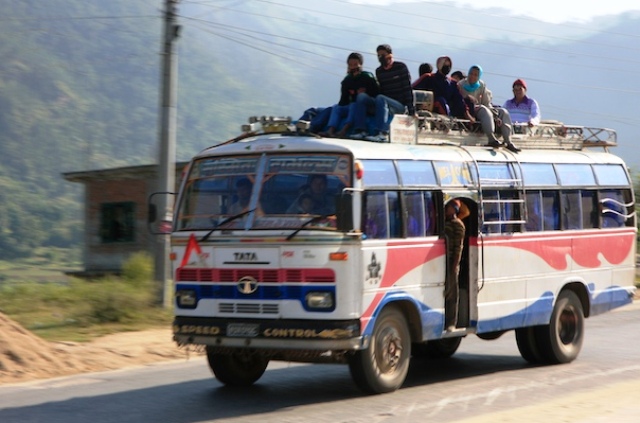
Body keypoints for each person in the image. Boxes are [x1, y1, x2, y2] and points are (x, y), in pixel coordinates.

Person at [351, 44, 415, 142]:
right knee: (362, 97)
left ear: (390, 55)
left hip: (398, 105)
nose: (381, 58)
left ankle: (381, 132)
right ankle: (360, 130)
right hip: (383, 103)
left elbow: (407, 88)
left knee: (381, 98)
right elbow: (380, 90)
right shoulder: (379, 71)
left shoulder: (400, 67)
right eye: (378, 56)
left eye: (383, 55)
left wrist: (411, 110)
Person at [458, 65, 520, 153]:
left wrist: (496, 116)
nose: (472, 76)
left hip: (481, 107)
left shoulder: (481, 85)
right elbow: (459, 100)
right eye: (471, 74)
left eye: (476, 75)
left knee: (503, 112)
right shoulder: (461, 84)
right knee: (483, 109)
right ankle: (491, 138)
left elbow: (486, 103)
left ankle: (508, 141)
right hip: (470, 109)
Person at [322, 52, 379, 138]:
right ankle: (331, 130)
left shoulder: (367, 77)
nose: (353, 67)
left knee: (354, 105)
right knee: (336, 108)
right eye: (350, 64)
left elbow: (376, 93)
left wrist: (366, 93)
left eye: (355, 64)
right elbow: (343, 100)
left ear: (360, 65)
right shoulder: (347, 80)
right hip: (350, 105)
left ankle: (344, 130)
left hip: (365, 106)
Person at [413, 56, 472, 120]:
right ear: (439, 65)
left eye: (449, 66)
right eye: (445, 65)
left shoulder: (452, 83)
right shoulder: (429, 77)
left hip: (449, 108)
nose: (447, 68)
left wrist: (466, 112)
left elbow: (459, 99)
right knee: (440, 101)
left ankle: (471, 126)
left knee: (469, 101)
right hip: (432, 106)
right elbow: (413, 90)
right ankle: (447, 122)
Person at [444, 198, 466, 332]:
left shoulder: (458, 225)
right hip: (442, 260)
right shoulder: (445, 222)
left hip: (452, 260)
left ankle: (451, 322)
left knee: (452, 294)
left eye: (449, 207)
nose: (446, 209)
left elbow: (459, 247)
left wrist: (454, 266)